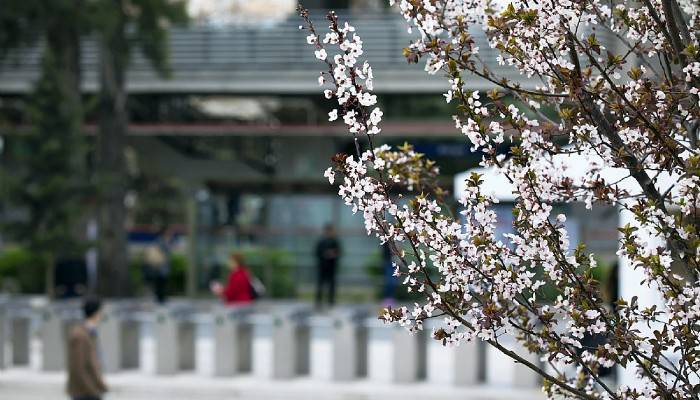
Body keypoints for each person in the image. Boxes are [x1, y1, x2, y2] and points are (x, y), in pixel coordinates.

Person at [67, 297, 107, 400]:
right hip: (84, 393)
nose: (102, 315)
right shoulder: (80, 335)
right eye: (101, 311)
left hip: (90, 391)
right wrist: (93, 391)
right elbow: (78, 367)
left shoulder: (89, 332)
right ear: (96, 313)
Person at [315, 224, 342, 308]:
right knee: (320, 284)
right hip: (322, 266)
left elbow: (339, 252)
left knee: (332, 285)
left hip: (332, 267)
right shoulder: (321, 242)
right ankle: (318, 301)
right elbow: (317, 253)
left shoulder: (335, 242)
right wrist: (325, 254)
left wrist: (333, 254)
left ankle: (331, 301)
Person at [144, 227, 172, 304]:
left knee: (161, 283)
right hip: (160, 267)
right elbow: (164, 253)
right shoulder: (161, 241)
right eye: (169, 233)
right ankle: (160, 300)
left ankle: (160, 299)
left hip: (161, 267)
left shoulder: (162, 241)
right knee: (160, 283)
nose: (171, 235)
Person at [382, 243, 398, 307]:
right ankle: (388, 299)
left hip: (394, 262)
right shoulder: (386, 242)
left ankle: (390, 299)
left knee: (392, 282)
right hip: (388, 261)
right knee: (390, 281)